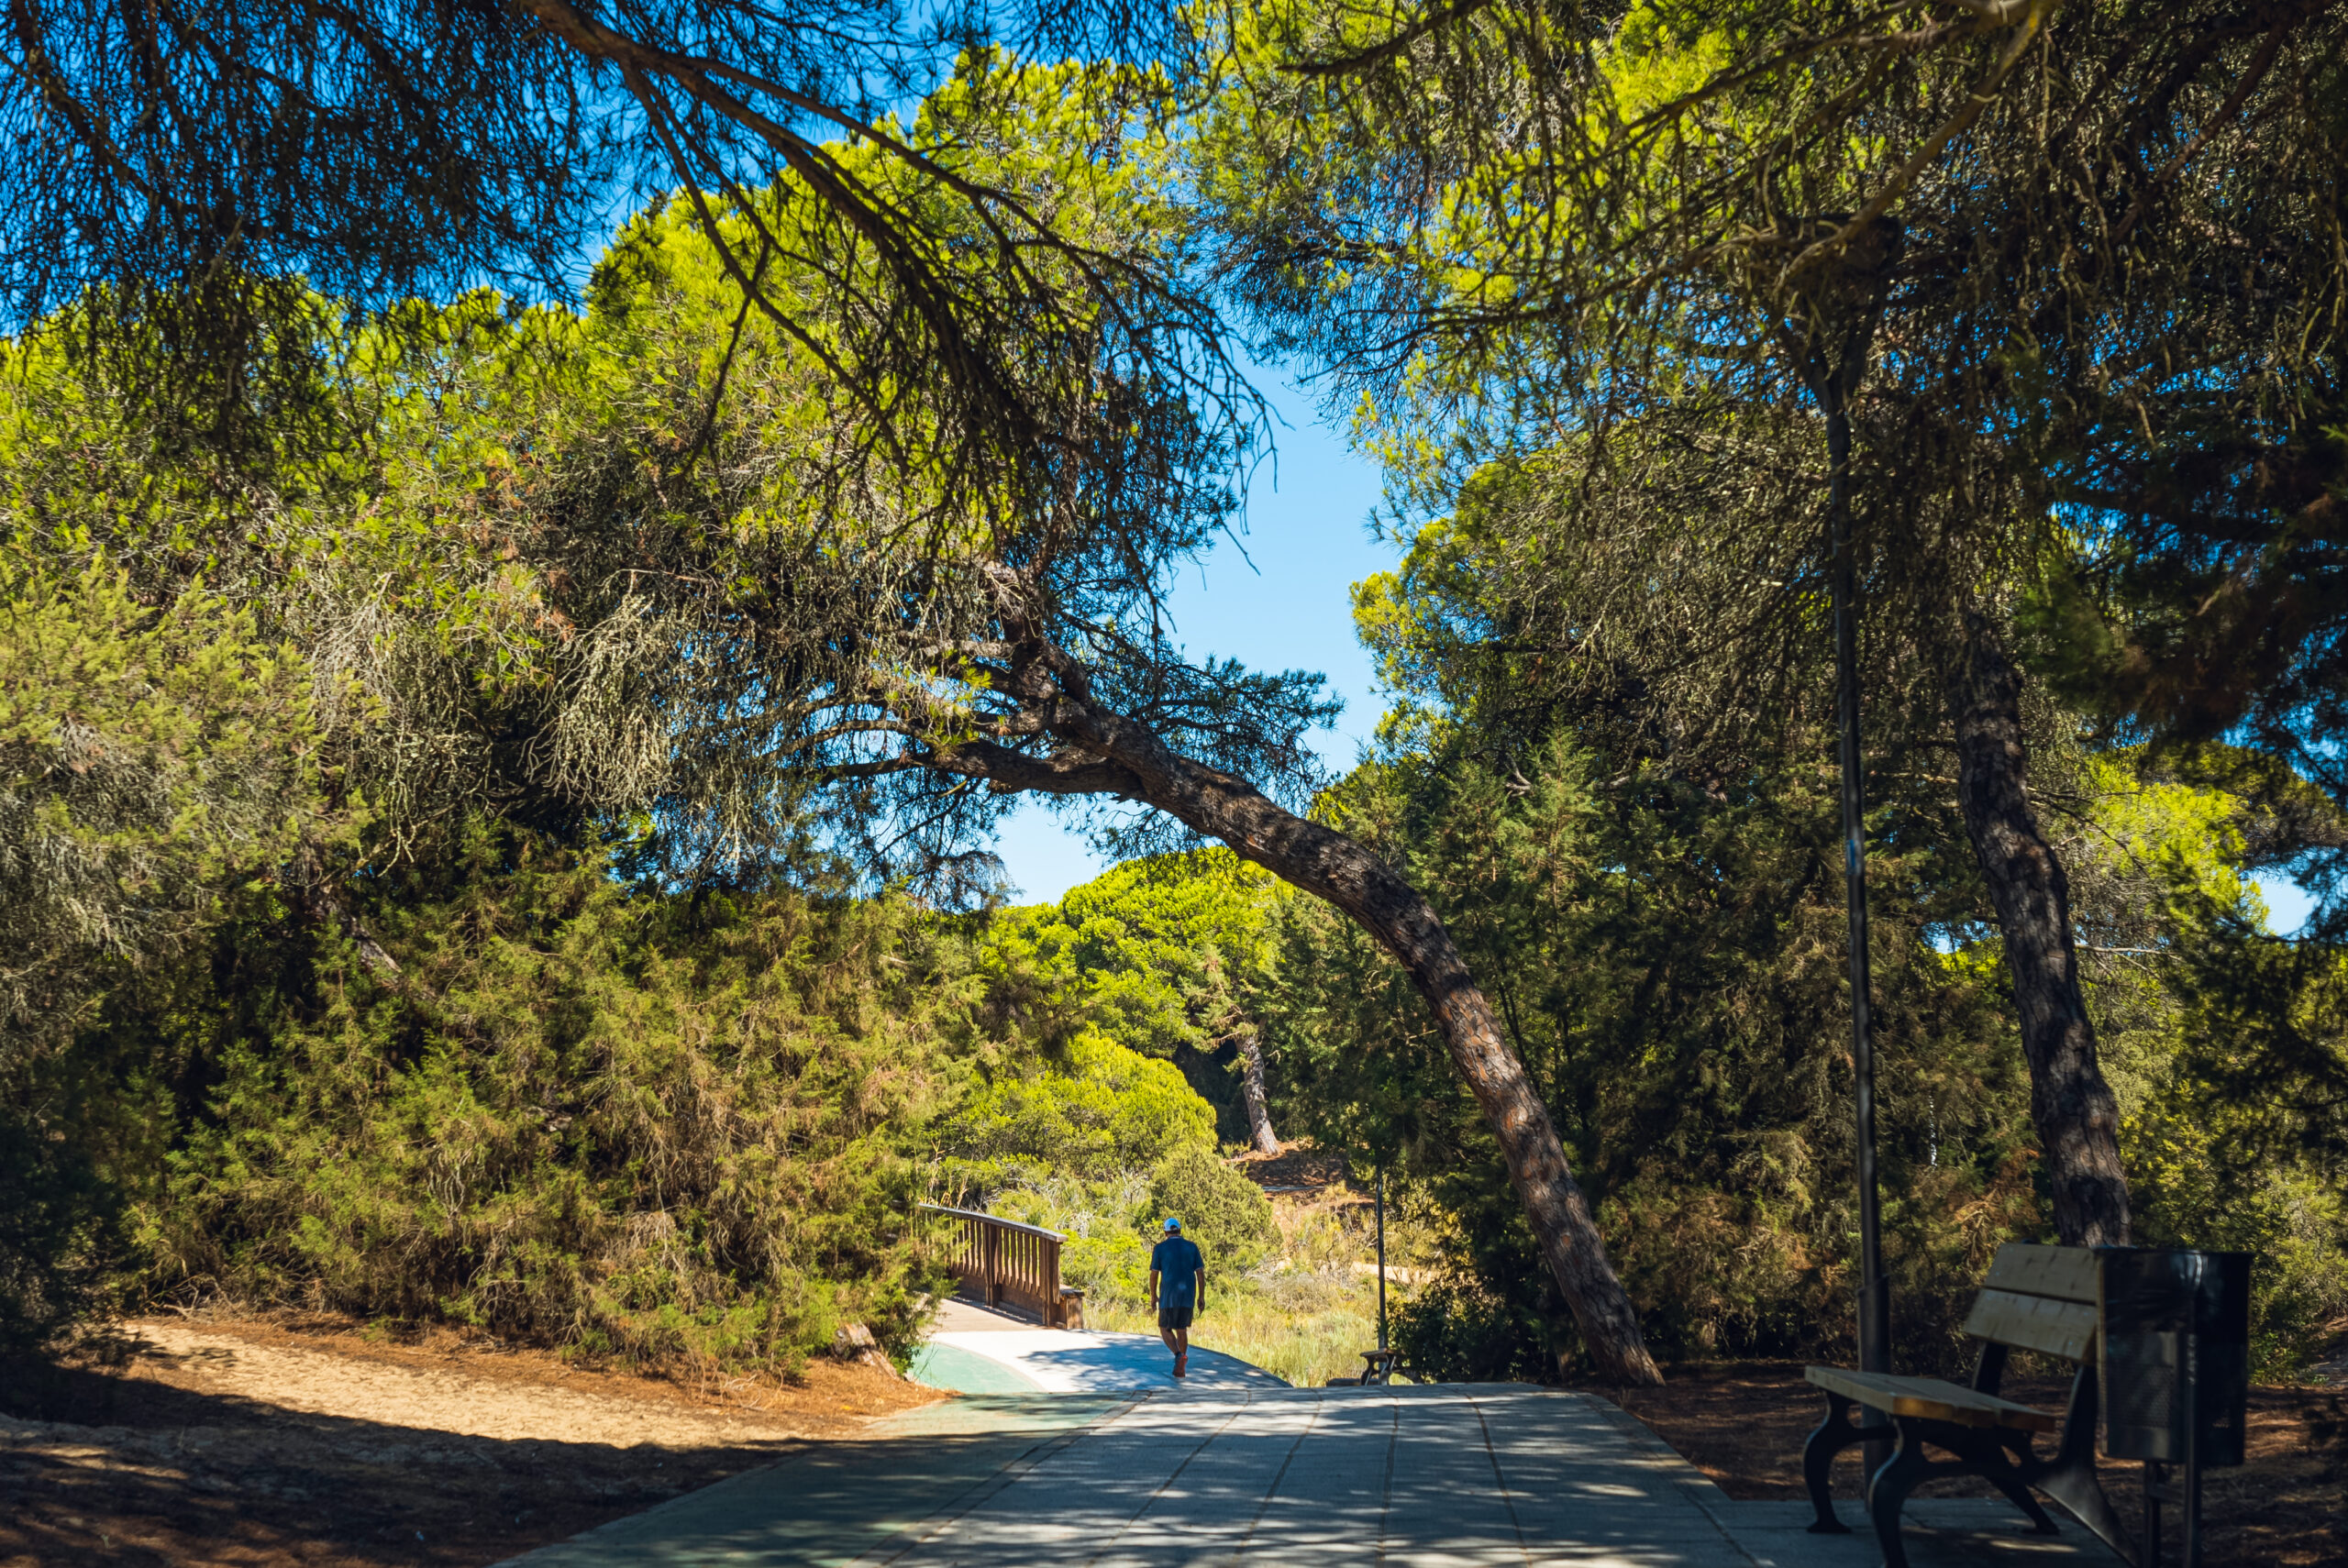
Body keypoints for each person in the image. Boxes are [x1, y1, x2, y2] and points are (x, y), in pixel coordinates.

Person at [1147, 1216, 1205, 1378]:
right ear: (1180, 1230)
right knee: (1181, 1329)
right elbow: (1200, 1273)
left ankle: (1179, 1356)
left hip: (1168, 1295)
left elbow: (1154, 1274)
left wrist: (1153, 1296)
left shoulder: (1160, 1248)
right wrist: (1201, 1296)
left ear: (1166, 1232)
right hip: (1188, 1295)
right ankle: (1181, 1365)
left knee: (1164, 1328)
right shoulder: (1192, 1247)